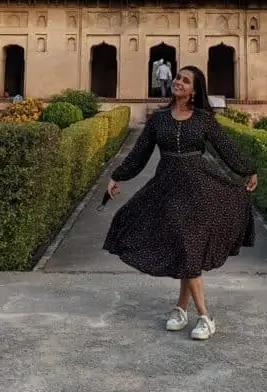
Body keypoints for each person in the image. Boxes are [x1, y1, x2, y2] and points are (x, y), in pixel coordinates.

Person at [103, 65, 258, 340]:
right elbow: (139, 154)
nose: (178, 83)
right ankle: (180, 308)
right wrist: (118, 176)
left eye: (185, 81)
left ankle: (204, 316)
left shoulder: (203, 119)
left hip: (199, 189)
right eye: (177, 78)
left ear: (194, 90)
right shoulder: (159, 119)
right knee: (184, 247)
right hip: (167, 190)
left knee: (188, 246)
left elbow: (224, 146)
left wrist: (247, 169)